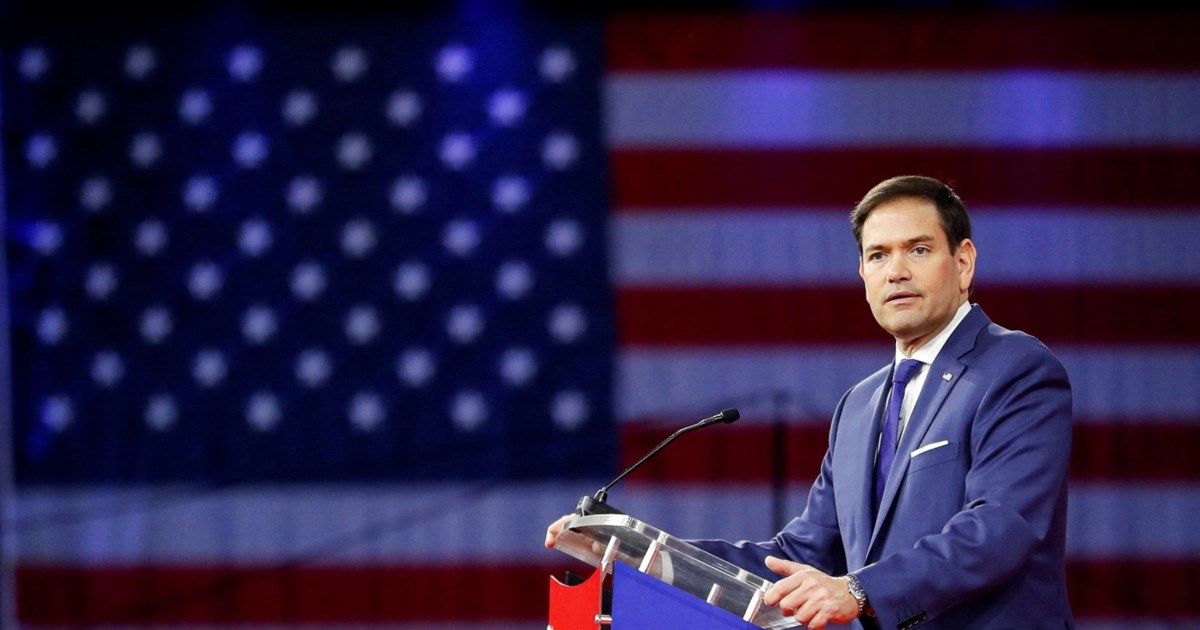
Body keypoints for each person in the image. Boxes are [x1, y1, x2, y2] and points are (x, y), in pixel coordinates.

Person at [546, 175, 1074, 629]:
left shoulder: (1015, 369)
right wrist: (644, 557)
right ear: (863, 275)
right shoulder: (860, 406)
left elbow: (1001, 527)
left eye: (918, 249)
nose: (896, 271)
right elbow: (800, 556)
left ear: (963, 262)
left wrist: (859, 589)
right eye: (878, 255)